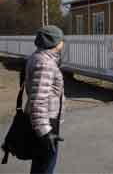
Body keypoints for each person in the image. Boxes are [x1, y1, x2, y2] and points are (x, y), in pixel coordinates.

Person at [26, 25, 66, 174]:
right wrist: (45, 132)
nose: (63, 42)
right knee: (45, 167)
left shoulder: (38, 57)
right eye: (61, 39)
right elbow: (38, 100)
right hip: (46, 122)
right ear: (54, 42)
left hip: (43, 120)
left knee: (40, 166)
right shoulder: (45, 64)